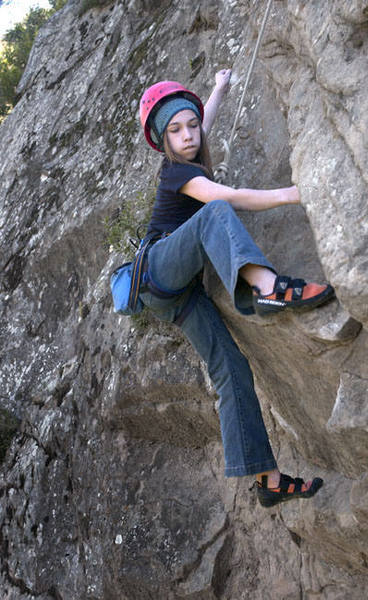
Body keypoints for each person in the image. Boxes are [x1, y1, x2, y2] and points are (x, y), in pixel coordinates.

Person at [137, 69, 334, 508]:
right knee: (216, 212)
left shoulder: (190, 146)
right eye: (176, 130)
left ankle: (268, 480)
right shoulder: (176, 174)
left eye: (191, 125)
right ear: (162, 140)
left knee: (232, 370)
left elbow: (202, 123)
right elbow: (234, 196)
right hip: (159, 268)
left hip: (177, 294)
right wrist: (291, 194)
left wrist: (221, 87)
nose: (188, 135)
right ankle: (268, 287)